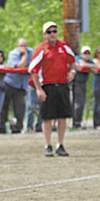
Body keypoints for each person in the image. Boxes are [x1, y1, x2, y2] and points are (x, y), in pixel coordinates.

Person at [29, 21, 76, 157]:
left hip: (62, 84)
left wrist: (72, 72)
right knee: (47, 118)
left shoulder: (64, 46)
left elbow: (72, 61)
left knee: (62, 117)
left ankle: (60, 144)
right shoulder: (41, 49)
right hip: (48, 85)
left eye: (54, 31)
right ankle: (47, 145)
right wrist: (39, 89)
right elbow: (33, 70)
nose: (52, 34)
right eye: (49, 32)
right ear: (45, 34)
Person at [1, 38, 32, 134]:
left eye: (25, 45)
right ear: (17, 46)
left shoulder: (32, 52)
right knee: (5, 106)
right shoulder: (13, 53)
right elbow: (19, 67)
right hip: (10, 83)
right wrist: (25, 55)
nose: (23, 48)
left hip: (21, 85)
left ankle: (18, 127)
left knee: (20, 106)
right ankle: (1, 126)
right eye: (21, 46)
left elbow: (34, 66)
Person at [72, 46, 97, 129]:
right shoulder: (77, 58)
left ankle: (78, 122)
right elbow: (80, 65)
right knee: (77, 103)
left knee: (82, 103)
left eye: (88, 53)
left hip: (83, 84)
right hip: (75, 83)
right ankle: (76, 123)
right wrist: (89, 66)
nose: (86, 55)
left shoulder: (90, 61)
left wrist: (87, 65)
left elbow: (96, 69)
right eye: (85, 53)